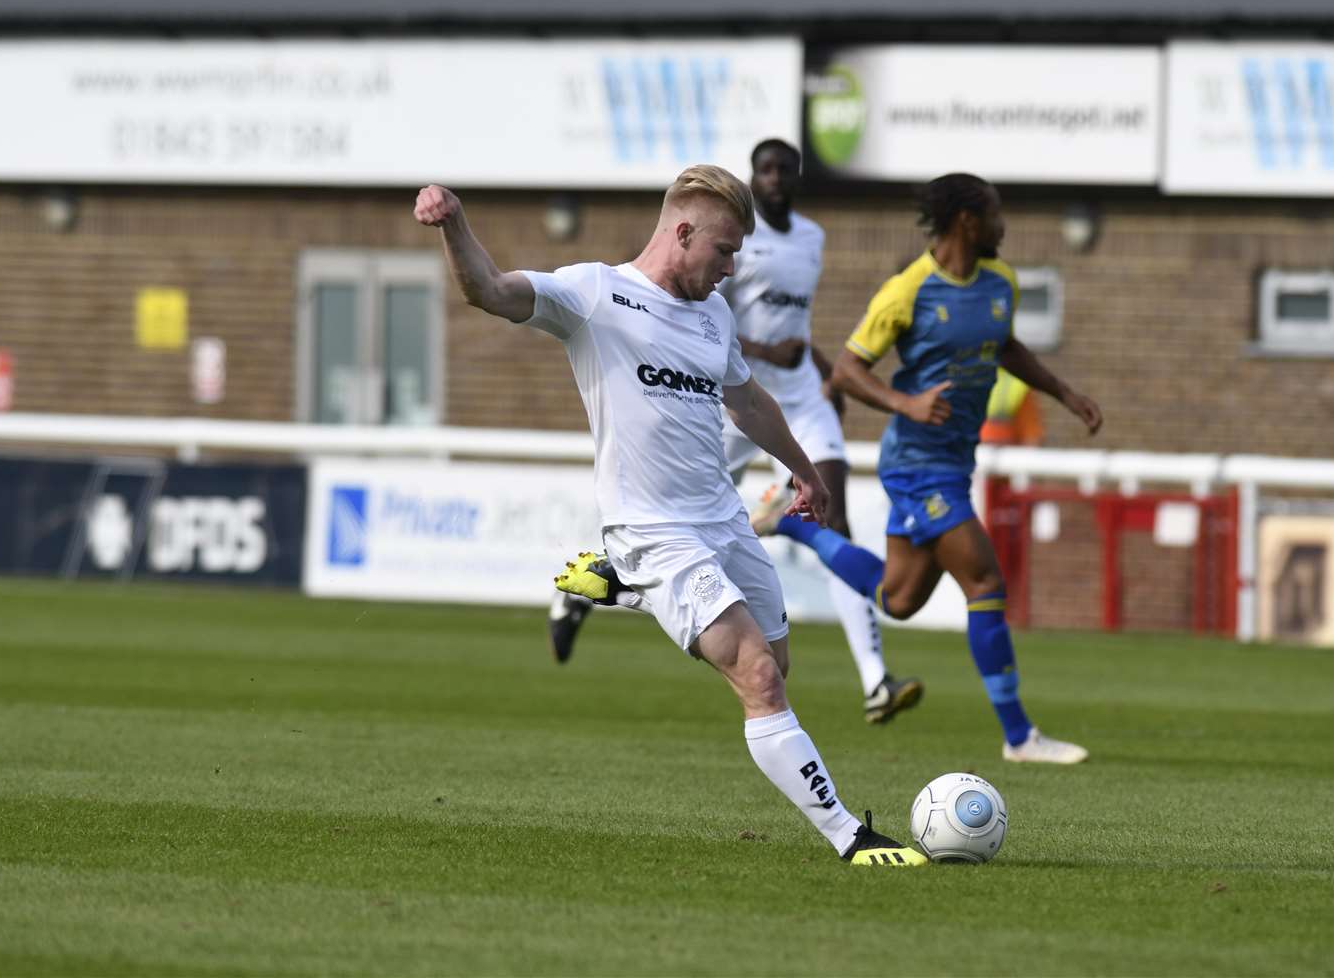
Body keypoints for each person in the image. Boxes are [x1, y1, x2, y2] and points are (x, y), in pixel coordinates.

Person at [415, 166, 924, 864]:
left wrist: (803, 469)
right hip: (652, 528)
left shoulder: (715, 314)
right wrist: (454, 224)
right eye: (724, 250)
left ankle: (626, 587)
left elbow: (746, 403)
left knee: (777, 662)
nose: (733, 267)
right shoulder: (596, 294)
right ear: (681, 232)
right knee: (758, 677)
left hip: (723, 522)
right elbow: (490, 290)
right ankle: (851, 835)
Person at [550, 138, 923, 727]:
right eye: (764, 170)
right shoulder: (722, 237)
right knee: (680, 524)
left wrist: (824, 371)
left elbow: (790, 322)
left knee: (832, 515)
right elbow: (684, 317)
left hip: (789, 395)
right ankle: (604, 584)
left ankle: (876, 679)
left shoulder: (812, 239)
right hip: (713, 397)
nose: (774, 179)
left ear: (798, 178)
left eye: (784, 170)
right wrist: (767, 350)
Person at [754, 172, 1102, 765]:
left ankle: (792, 525)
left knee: (899, 598)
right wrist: (905, 402)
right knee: (986, 581)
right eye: (994, 213)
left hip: (953, 463)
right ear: (967, 220)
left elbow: (1004, 345)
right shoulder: (908, 291)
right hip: (917, 464)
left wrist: (1064, 393)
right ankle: (1019, 737)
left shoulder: (1001, 282)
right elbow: (847, 369)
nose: (1003, 226)